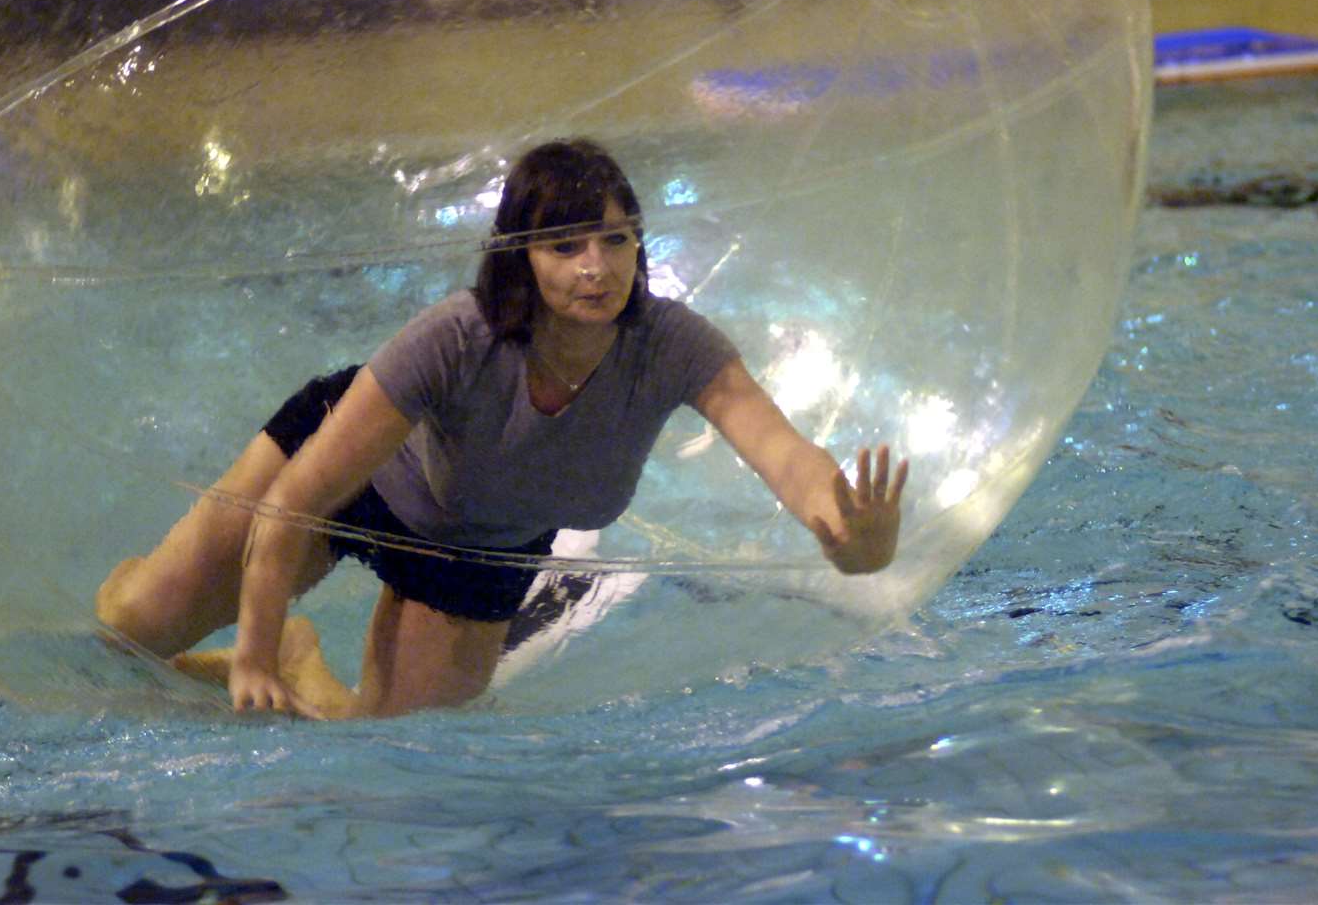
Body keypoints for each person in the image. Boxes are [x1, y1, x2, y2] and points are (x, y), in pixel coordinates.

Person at [97, 139, 908, 718]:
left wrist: (842, 529)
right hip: (353, 478)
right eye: (566, 244)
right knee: (130, 631)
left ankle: (301, 658)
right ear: (521, 256)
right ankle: (182, 587)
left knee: (387, 750)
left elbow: (779, 450)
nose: (596, 266)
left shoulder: (671, 346)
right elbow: (297, 497)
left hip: (481, 546)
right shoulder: (459, 336)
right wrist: (246, 648)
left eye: (615, 239)